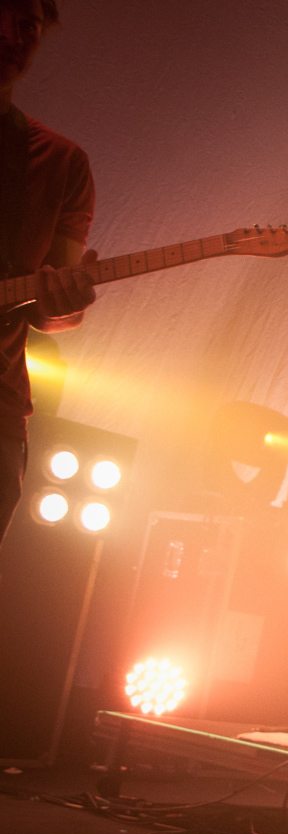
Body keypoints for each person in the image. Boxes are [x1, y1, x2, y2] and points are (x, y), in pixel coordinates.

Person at [1, 0, 97, 546]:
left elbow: (53, 314)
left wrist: (67, 303)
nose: (11, 35)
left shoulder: (61, 164)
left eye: (28, 24)